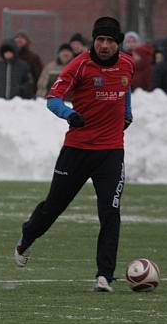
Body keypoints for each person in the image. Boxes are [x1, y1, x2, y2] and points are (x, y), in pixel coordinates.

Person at [14, 16, 135, 292]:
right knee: (53, 208)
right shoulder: (79, 65)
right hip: (77, 150)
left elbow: (125, 88)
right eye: (100, 40)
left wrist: (127, 113)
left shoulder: (128, 64)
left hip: (112, 152)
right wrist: (70, 114)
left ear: (117, 43)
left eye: (110, 41)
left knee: (110, 211)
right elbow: (53, 98)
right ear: (94, 40)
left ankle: (104, 275)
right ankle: (27, 235)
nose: (104, 45)